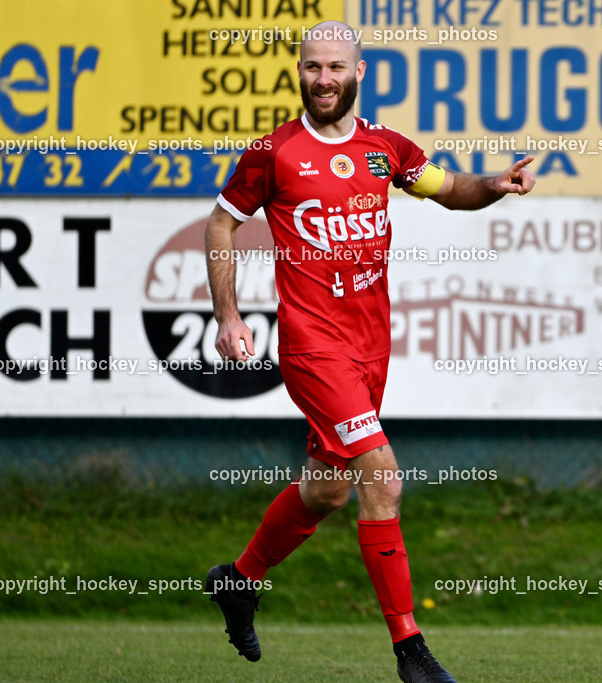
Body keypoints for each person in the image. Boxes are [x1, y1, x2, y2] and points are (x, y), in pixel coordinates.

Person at [202, 19, 535, 683]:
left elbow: (448, 190)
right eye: (311, 67)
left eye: (335, 67)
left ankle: (238, 581)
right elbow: (221, 221)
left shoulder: (385, 149)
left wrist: (491, 187)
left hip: (368, 344)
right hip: (311, 344)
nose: (322, 79)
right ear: (299, 72)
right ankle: (411, 649)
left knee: (327, 488)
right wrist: (229, 314)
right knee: (381, 474)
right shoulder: (275, 152)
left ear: (360, 72)